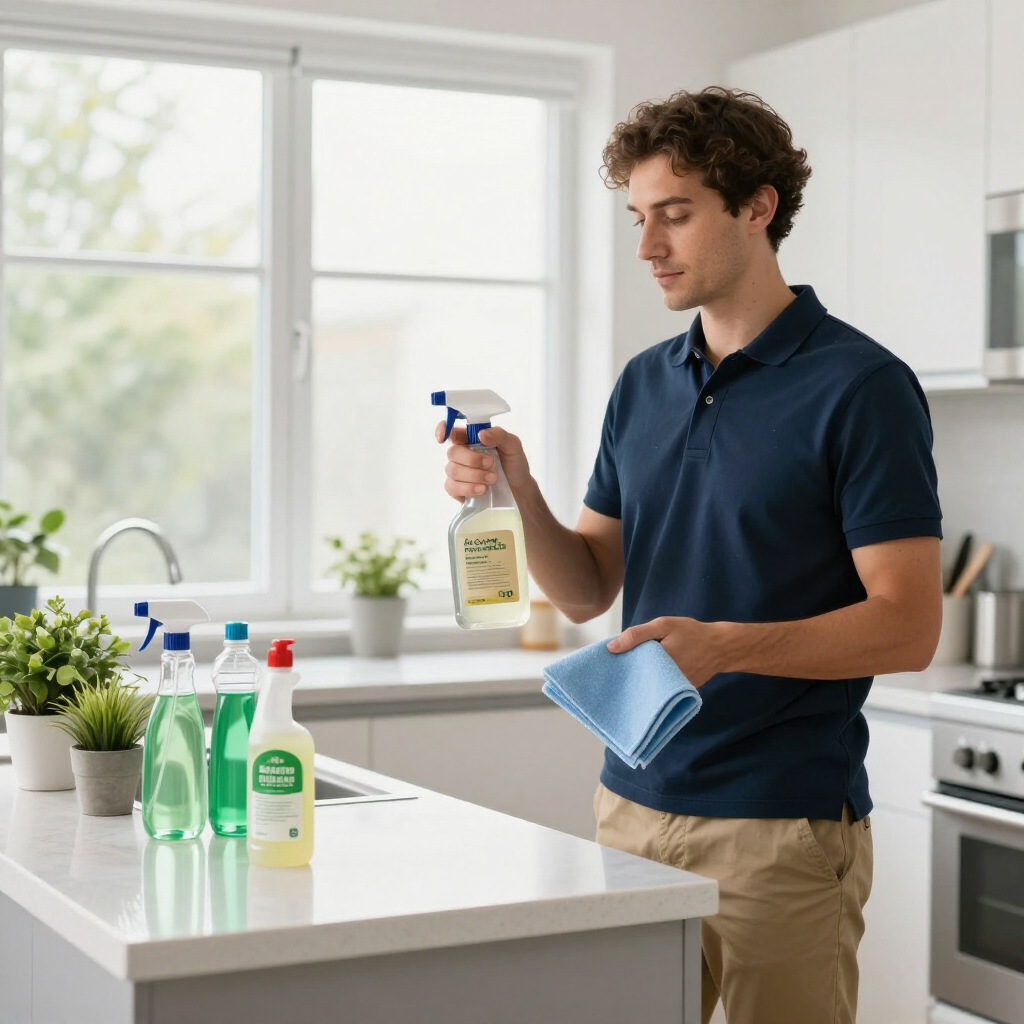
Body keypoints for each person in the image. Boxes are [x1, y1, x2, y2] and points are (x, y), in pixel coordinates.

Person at [436, 86, 942, 1024]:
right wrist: (520, 489)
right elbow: (587, 588)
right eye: (638, 216)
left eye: (675, 213)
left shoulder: (860, 386)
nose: (647, 247)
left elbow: (909, 626)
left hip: (782, 826)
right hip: (630, 804)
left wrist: (726, 646)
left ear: (758, 207)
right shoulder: (642, 385)